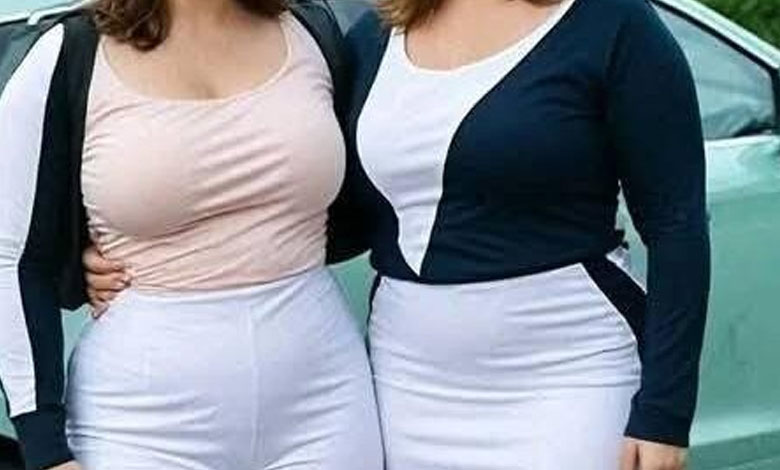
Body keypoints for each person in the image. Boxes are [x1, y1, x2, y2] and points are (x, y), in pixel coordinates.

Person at [86, 0, 711, 468]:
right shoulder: (376, 35)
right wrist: (122, 255)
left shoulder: (613, 24)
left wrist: (664, 414)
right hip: (408, 385)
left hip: (569, 373)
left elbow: (678, 225)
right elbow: (303, 197)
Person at [0, 1, 382, 469]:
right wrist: (46, 451)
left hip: (327, 406)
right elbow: (14, 259)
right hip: (142, 426)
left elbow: (391, 188)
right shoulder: (70, 52)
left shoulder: (312, 29)